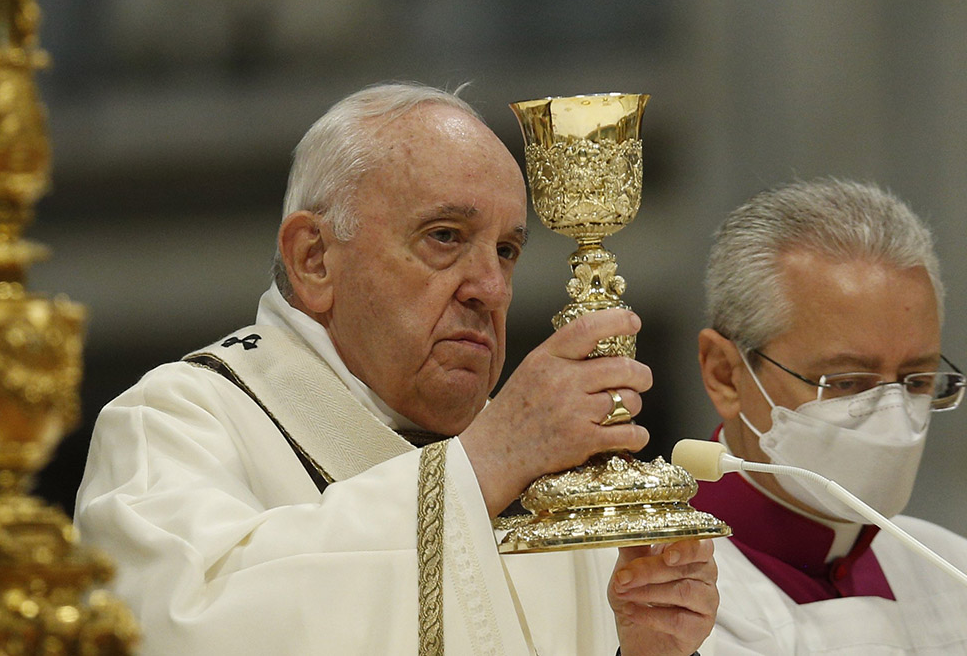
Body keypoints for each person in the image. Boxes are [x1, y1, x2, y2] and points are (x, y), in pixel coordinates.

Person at [75, 82, 718, 655]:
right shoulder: (173, 425)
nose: (491, 288)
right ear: (314, 258)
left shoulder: (548, 474)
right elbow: (180, 630)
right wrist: (486, 463)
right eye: (444, 237)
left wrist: (645, 653)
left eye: (507, 250)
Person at [690, 178, 967, 654]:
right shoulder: (643, 593)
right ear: (726, 375)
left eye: (917, 382)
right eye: (846, 383)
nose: (893, 422)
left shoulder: (952, 571)